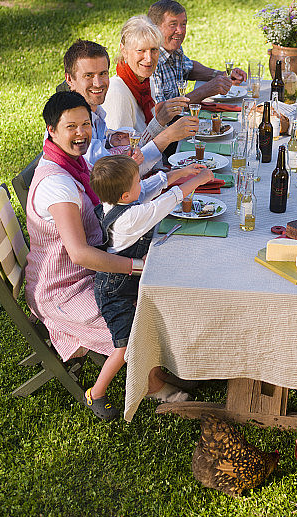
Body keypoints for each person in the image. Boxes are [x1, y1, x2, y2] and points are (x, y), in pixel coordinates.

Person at [25, 92, 177, 420]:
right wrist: (138, 267)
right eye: (70, 127)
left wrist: (165, 181)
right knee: (137, 312)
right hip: (63, 288)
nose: (81, 133)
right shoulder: (58, 185)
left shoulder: (75, 164)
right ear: (51, 130)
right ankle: (150, 384)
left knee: (157, 286)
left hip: (88, 267)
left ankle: (161, 363)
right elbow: (79, 255)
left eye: (85, 124)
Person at [89, 155, 214, 399]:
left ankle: (163, 370)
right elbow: (164, 202)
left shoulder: (118, 202)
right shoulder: (129, 217)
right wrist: (197, 180)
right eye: (136, 181)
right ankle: (96, 392)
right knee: (123, 346)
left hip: (125, 282)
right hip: (115, 291)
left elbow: (148, 187)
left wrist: (180, 172)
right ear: (125, 196)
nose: (141, 183)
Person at [102, 15, 199, 157]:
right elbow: (125, 160)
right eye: (140, 50)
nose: (148, 59)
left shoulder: (147, 82)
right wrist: (161, 123)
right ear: (124, 51)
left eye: (154, 50)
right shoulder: (117, 92)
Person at [63, 39, 160, 173]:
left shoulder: (97, 113)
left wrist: (115, 145)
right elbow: (110, 175)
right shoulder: (72, 123)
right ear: (69, 80)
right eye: (89, 76)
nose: (98, 83)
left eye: (103, 73)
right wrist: (166, 138)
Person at [147, 0, 246, 104]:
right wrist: (204, 91)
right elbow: (159, 113)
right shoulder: (149, 61)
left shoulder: (174, 50)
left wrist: (222, 75)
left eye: (183, 24)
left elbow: (190, 68)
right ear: (154, 29)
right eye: (173, 24)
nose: (180, 31)